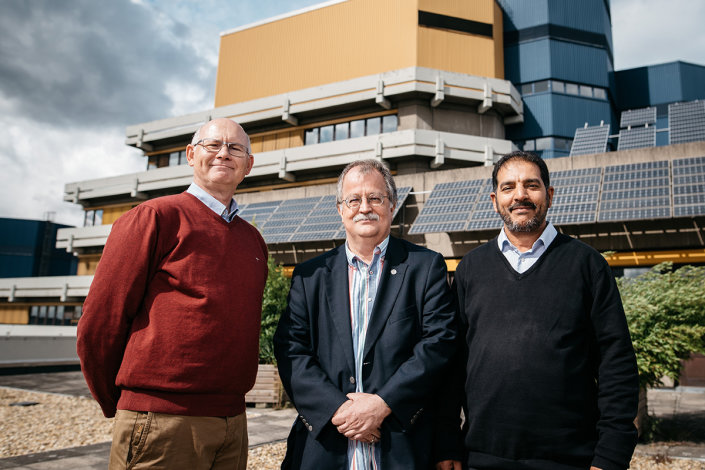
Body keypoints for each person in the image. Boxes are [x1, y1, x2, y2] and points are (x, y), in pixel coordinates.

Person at [77, 118, 268, 470]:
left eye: (235, 148)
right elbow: (101, 321)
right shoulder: (154, 217)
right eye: (213, 145)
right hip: (159, 422)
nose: (224, 153)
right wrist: (127, 402)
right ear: (191, 155)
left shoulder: (252, 240)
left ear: (248, 165)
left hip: (232, 422)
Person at [452, 151, 639, 470]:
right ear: (495, 200)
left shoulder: (586, 264)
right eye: (508, 187)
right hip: (480, 458)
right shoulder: (470, 268)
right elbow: (451, 363)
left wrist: (611, 455)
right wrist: (446, 443)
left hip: (571, 459)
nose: (520, 195)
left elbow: (615, 362)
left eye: (531, 185)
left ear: (549, 195)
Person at [274, 159, 461, 469]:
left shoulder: (425, 267)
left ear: (392, 205)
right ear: (340, 208)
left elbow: (439, 344)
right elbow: (291, 350)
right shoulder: (310, 276)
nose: (364, 208)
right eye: (354, 199)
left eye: (375, 198)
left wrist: (383, 404)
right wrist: (339, 410)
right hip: (328, 446)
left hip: (401, 445)